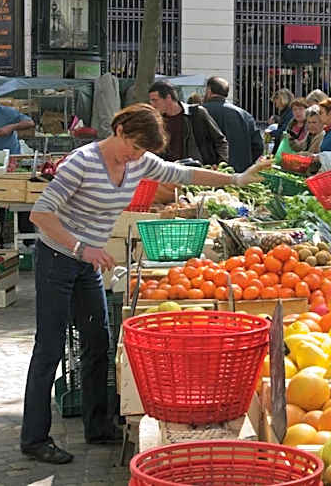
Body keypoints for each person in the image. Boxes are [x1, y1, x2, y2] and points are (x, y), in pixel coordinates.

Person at [21, 103, 270, 464]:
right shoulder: (82, 162)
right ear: (119, 129)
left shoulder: (138, 162)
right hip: (57, 259)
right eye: (134, 147)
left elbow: (183, 175)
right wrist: (82, 247)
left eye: (142, 151)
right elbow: (40, 214)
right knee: (50, 347)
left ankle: (97, 425)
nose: (136, 156)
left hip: (87, 263)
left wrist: (237, 179)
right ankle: (34, 438)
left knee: (98, 344)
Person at [147, 81, 228, 165]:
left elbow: (220, 141)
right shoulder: (157, 121)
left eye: (155, 100)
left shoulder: (197, 113)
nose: (152, 104)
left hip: (197, 171)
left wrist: (222, 163)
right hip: (169, 173)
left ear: (168, 98)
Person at [202, 76, 263, 172]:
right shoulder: (244, 115)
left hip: (207, 172)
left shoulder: (199, 112)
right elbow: (258, 146)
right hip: (239, 174)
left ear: (209, 90)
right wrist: (245, 164)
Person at [270, 88, 294, 154]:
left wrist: (270, 133)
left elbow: (284, 130)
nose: (275, 104)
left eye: (276, 100)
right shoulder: (285, 111)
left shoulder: (289, 112)